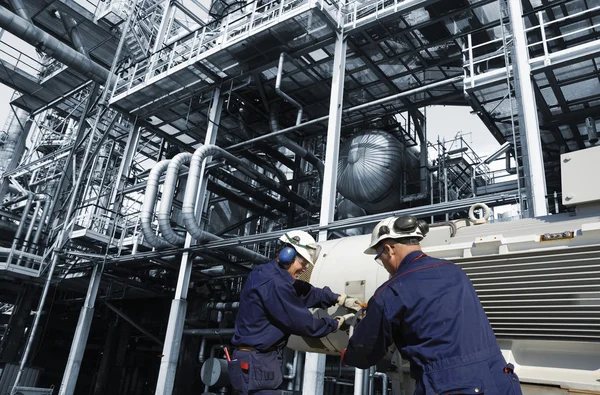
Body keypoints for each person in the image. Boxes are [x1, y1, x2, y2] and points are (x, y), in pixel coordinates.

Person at [342, 215, 523, 395]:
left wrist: (348, 356)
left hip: (451, 386)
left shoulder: (391, 292)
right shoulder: (455, 271)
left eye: (380, 257)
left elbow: (365, 351)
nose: (383, 263)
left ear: (389, 249)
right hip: (501, 381)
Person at [230, 230, 363, 394]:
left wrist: (338, 298)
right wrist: (336, 323)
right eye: (303, 263)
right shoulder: (275, 284)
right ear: (288, 254)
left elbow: (306, 292)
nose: (305, 269)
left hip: (256, 360)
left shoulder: (266, 273)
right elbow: (305, 325)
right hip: (258, 361)